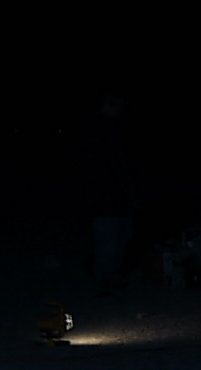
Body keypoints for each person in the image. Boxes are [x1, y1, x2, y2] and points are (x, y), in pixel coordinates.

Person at [74, 89, 139, 297]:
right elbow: (92, 167)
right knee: (108, 240)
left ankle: (112, 276)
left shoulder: (116, 129)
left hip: (118, 194)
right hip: (103, 197)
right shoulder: (97, 131)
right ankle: (103, 280)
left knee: (121, 236)